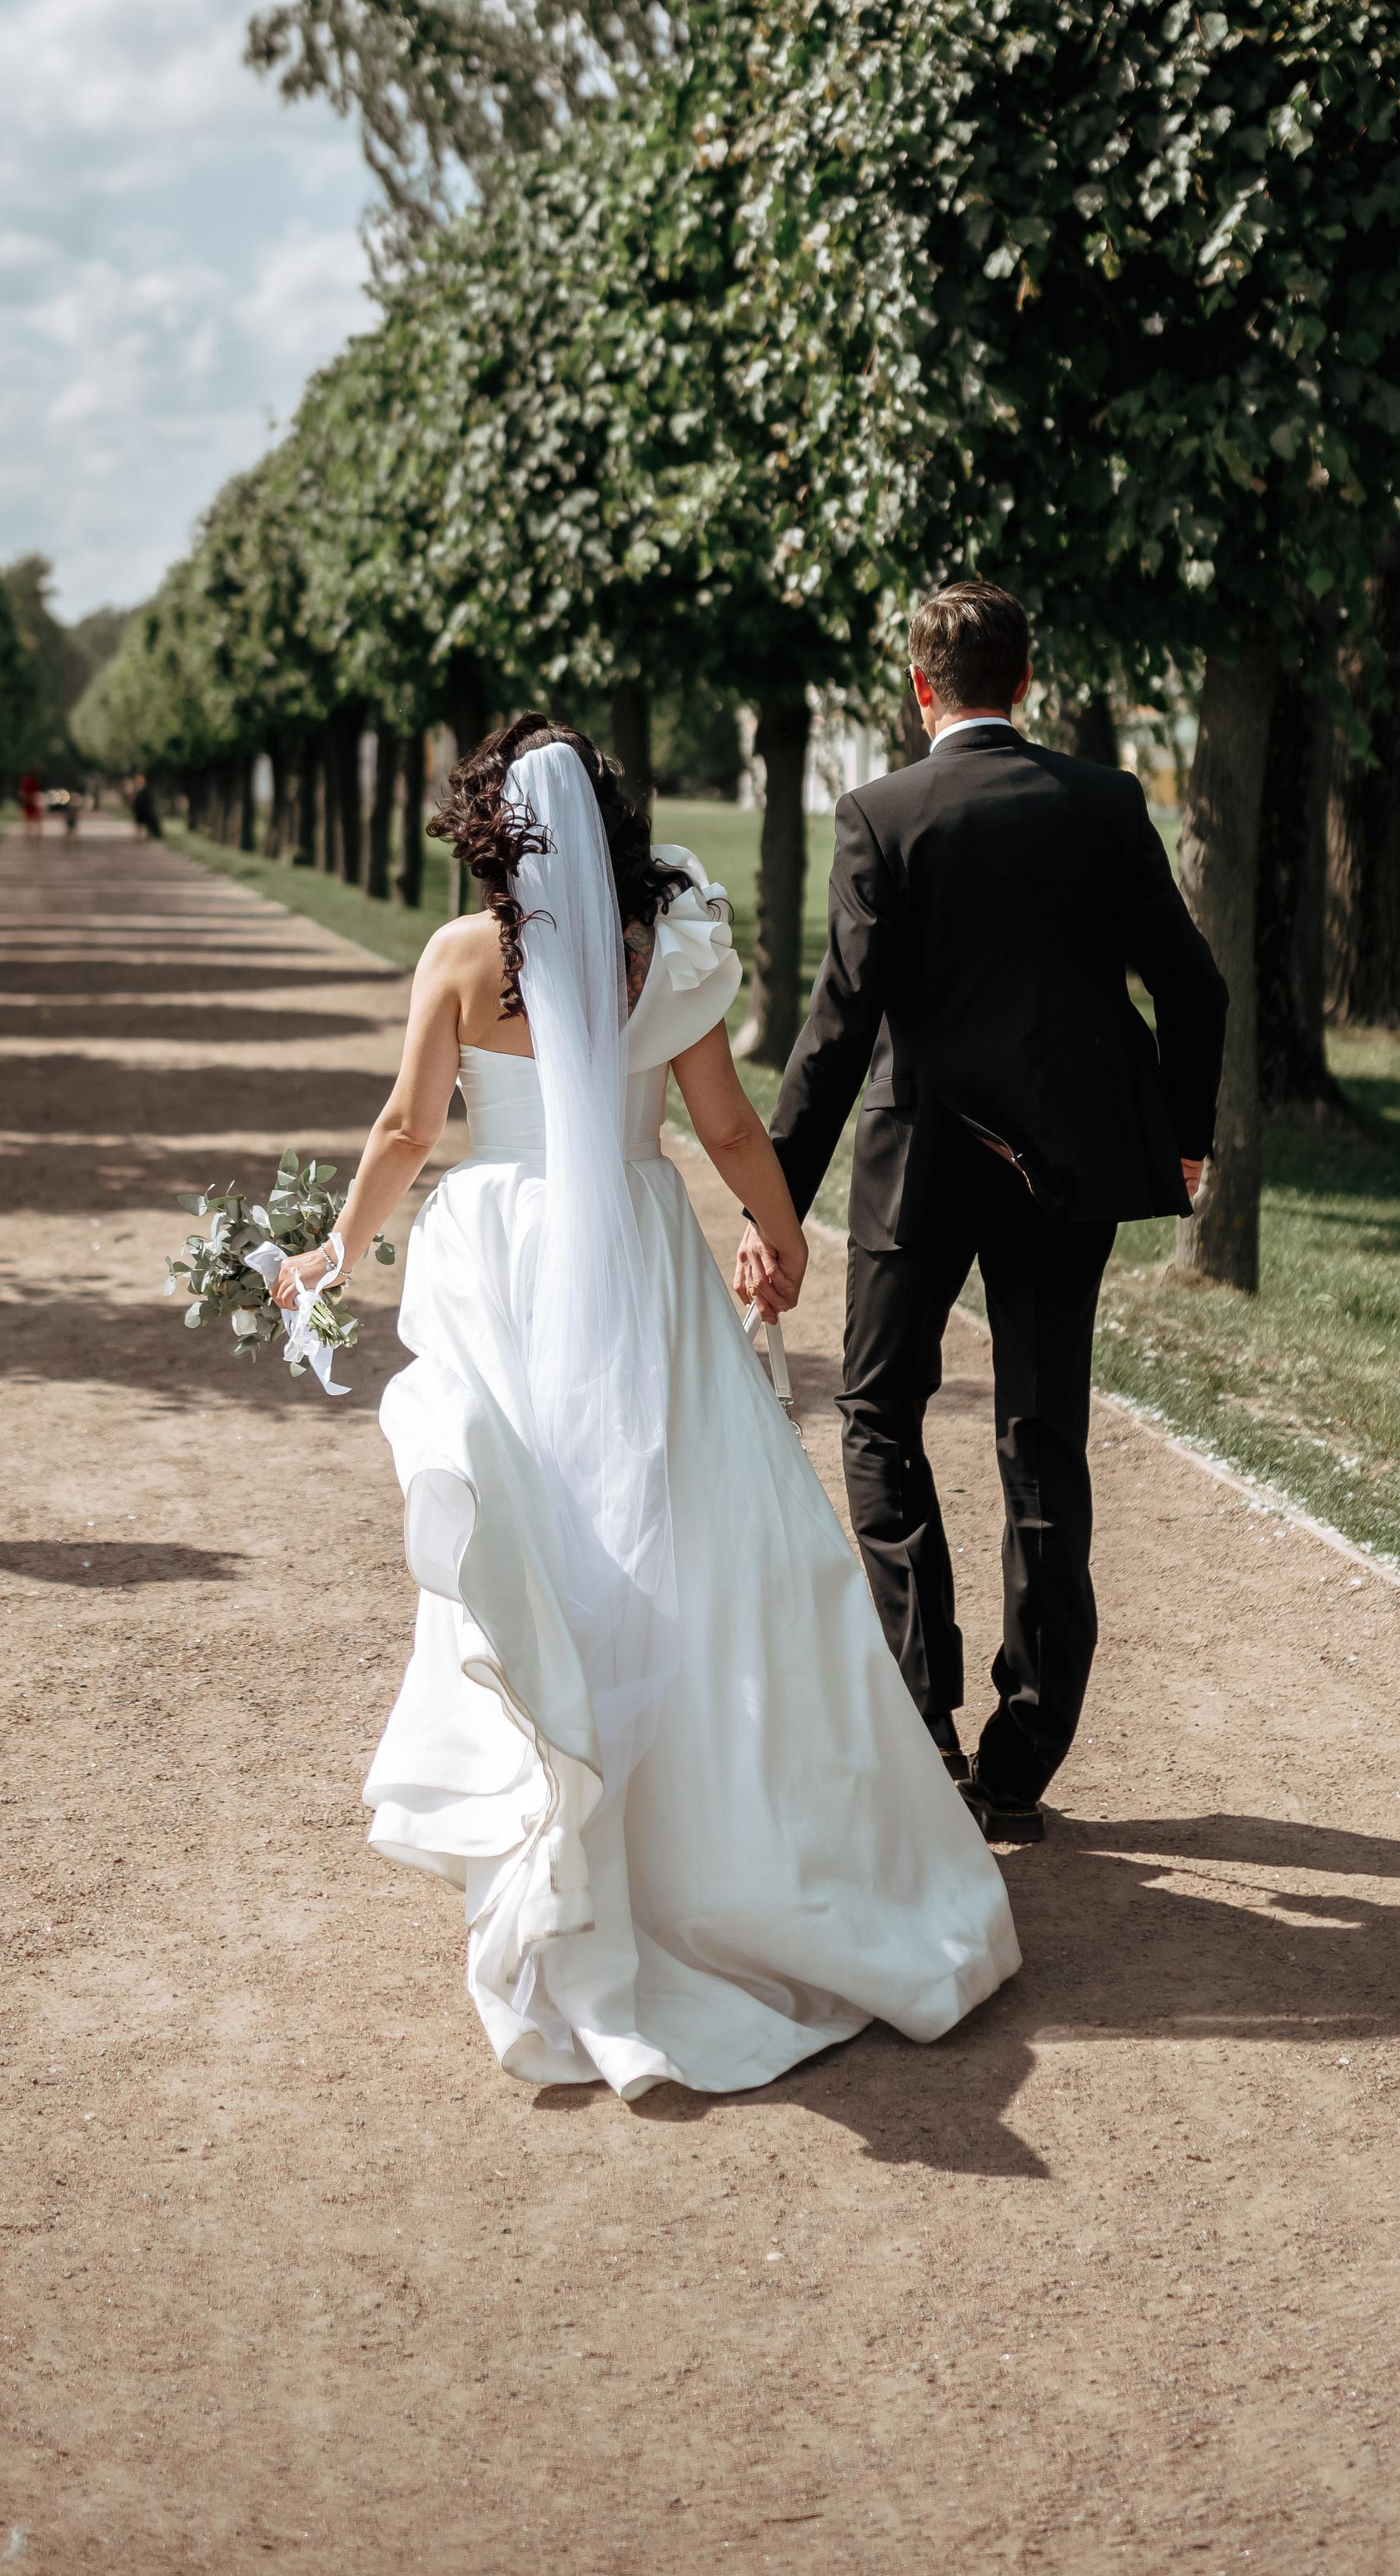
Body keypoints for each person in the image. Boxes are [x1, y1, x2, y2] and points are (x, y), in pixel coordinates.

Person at [272, 716, 1018, 2099]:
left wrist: (332, 1252)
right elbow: (728, 1128)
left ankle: (556, 1810)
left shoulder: (456, 957)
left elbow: (405, 1133)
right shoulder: (657, 950)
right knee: (688, 1526)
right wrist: (782, 1233)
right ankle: (707, 1836)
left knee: (537, 1528)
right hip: (634, 1242)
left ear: (491, 824)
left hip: (501, 1255)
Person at [745, 584, 1228, 1847]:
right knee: (1040, 1435)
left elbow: (837, 1033)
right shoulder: (1105, 805)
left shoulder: (880, 815)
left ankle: (927, 1725)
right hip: (1063, 1170)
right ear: (1025, 682)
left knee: (875, 1416)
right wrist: (1181, 1143)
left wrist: (772, 1206)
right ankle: (1026, 1750)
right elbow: (1196, 985)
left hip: (918, 1168)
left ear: (921, 687)